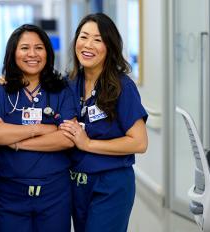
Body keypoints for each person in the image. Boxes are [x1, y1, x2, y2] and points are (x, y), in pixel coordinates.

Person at [59, 13, 148, 232]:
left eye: (98, 40)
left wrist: (88, 144)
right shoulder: (69, 84)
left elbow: (139, 143)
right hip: (76, 182)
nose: (88, 45)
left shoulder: (122, 87)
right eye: (84, 37)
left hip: (111, 184)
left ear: (110, 46)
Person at [0, 24, 77, 232]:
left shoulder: (61, 90)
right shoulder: (1, 91)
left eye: (39, 48)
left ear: (47, 52)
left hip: (55, 194)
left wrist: (14, 141)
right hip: (11, 194)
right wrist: (42, 128)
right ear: (13, 53)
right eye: (25, 48)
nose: (32, 54)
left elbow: (68, 138)